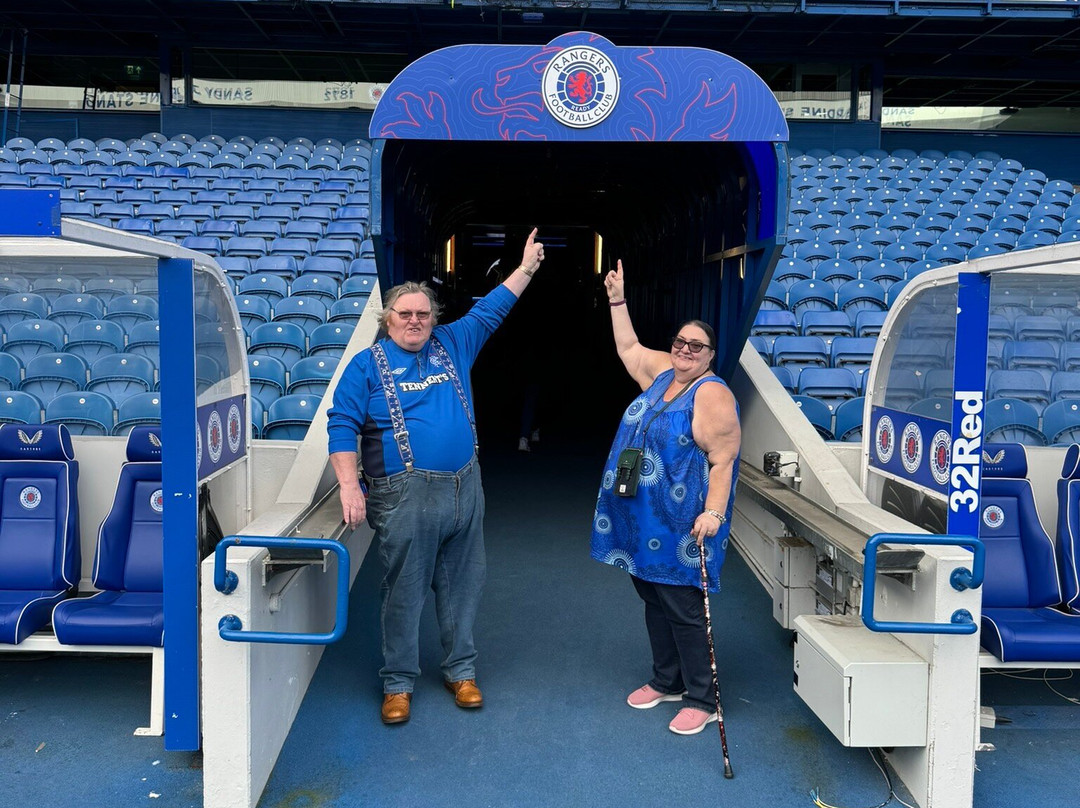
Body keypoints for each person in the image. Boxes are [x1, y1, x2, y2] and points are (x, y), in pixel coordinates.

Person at [327, 229, 545, 725]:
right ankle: (398, 681)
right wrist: (347, 484)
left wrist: (528, 266)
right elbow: (341, 426)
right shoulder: (367, 366)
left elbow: (492, 308)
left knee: (464, 583)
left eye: (423, 314)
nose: (415, 321)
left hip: (466, 487)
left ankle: (460, 670)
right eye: (405, 314)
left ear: (434, 319)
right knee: (404, 589)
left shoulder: (453, 342)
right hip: (404, 494)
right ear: (388, 320)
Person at [591, 259, 741, 736]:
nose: (684, 350)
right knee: (652, 596)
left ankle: (703, 697)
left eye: (696, 346)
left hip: (682, 522)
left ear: (710, 354)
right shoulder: (662, 374)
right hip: (641, 516)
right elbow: (630, 348)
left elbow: (723, 461)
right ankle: (667, 680)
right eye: (679, 342)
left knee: (682, 605)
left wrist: (714, 512)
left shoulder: (711, 394)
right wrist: (617, 300)